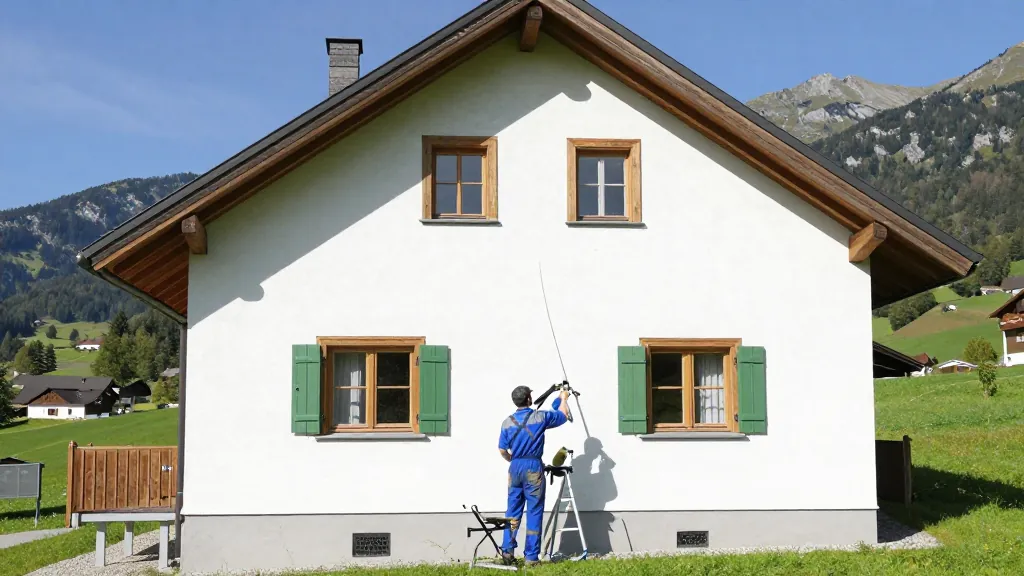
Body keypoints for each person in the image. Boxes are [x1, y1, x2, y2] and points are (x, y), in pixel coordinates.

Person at [497, 384, 571, 564]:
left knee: (512, 511)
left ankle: (507, 552)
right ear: (529, 399)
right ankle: (531, 556)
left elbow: (502, 450)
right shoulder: (540, 417)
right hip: (533, 467)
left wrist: (513, 461)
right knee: (534, 511)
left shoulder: (507, 422)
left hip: (514, 467)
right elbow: (563, 415)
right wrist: (564, 398)